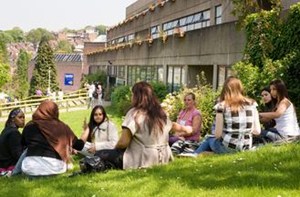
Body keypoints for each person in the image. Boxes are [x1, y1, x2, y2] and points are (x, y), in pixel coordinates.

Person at [95, 81, 173, 170]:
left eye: (132, 95)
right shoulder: (161, 113)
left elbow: (123, 142)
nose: (131, 97)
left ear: (137, 96)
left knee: (99, 154)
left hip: (143, 158)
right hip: (163, 157)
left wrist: (115, 149)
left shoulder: (135, 113)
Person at [180, 77, 261, 157]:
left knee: (209, 139)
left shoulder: (221, 106)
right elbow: (257, 131)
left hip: (228, 147)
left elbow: (217, 134)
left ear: (225, 89)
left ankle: (195, 154)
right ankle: (204, 154)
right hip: (246, 147)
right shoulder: (252, 104)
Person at [21, 100, 85, 176]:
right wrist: (87, 131)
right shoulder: (62, 126)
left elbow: (23, 144)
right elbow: (79, 146)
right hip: (54, 168)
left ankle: (13, 173)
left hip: (29, 168)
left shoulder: (29, 126)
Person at [0, 108, 25, 176]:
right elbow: (17, 154)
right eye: (20, 117)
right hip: (9, 165)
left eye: (23, 117)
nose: (23, 119)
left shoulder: (6, 130)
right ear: (13, 119)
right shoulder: (14, 133)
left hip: (3, 163)